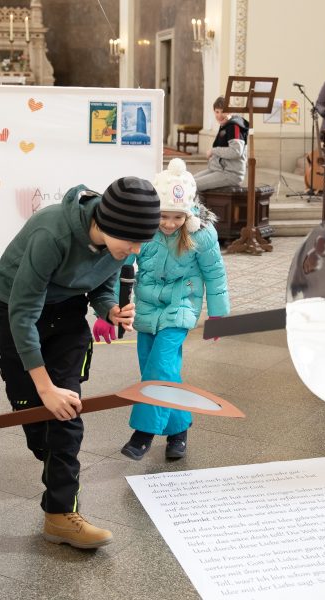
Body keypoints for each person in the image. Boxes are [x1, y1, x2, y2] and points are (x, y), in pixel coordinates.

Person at [0, 177, 160, 549]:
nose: (134, 250)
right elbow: (23, 314)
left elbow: (103, 282)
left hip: (68, 315)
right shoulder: (51, 234)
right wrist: (44, 387)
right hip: (17, 311)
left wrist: (110, 308)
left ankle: (60, 514)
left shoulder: (121, 245)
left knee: (66, 417)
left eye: (140, 243)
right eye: (130, 242)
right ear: (106, 224)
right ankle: (52, 456)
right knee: (34, 415)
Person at [111, 158, 230, 460]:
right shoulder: (143, 231)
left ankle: (144, 432)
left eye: (177, 217)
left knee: (161, 366)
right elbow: (120, 267)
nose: (168, 223)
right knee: (155, 368)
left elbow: (215, 275)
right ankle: (179, 428)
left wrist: (218, 316)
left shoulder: (201, 234)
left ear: (188, 213)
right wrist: (112, 306)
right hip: (149, 306)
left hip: (182, 304)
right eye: (163, 216)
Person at [194, 95, 248, 192]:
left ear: (230, 111)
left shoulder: (234, 126)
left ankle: (200, 207)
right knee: (189, 181)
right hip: (219, 170)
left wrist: (213, 151)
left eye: (223, 111)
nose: (219, 115)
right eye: (217, 112)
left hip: (231, 174)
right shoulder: (225, 125)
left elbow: (236, 152)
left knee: (192, 186)